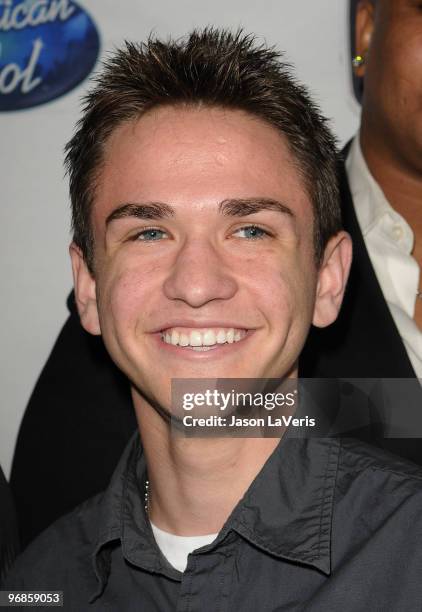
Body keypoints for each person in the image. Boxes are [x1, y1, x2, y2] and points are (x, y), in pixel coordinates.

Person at [4, 29, 422, 610]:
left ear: (328, 278)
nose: (197, 285)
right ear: (90, 288)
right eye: (149, 232)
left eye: (250, 230)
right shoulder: (38, 583)